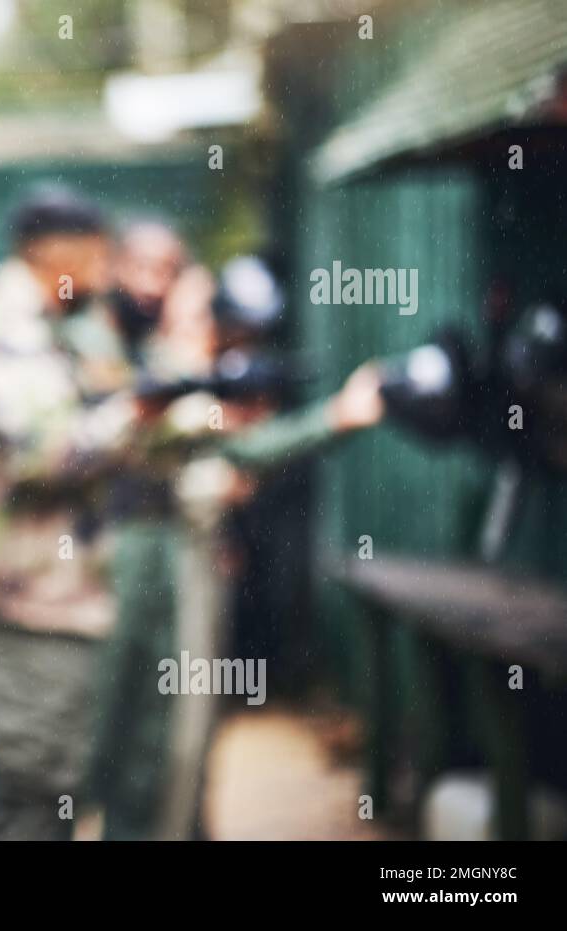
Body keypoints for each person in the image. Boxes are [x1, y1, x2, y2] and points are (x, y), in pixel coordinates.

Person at [83, 245, 384, 840]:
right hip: (144, 570)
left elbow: (228, 452)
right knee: (155, 740)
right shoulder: (147, 378)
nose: (209, 332)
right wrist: (335, 418)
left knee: (182, 742)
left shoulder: (183, 377)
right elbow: (226, 450)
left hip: (180, 564)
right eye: (191, 315)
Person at [0, 186, 143, 840]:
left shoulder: (57, 326)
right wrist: (139, 413)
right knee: (36, 781)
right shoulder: (0, 329)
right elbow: (44, 451)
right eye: (96, 253)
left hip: (63, 591)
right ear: (53, 252)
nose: (105, 270)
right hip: (25, 595)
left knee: (60, 776)